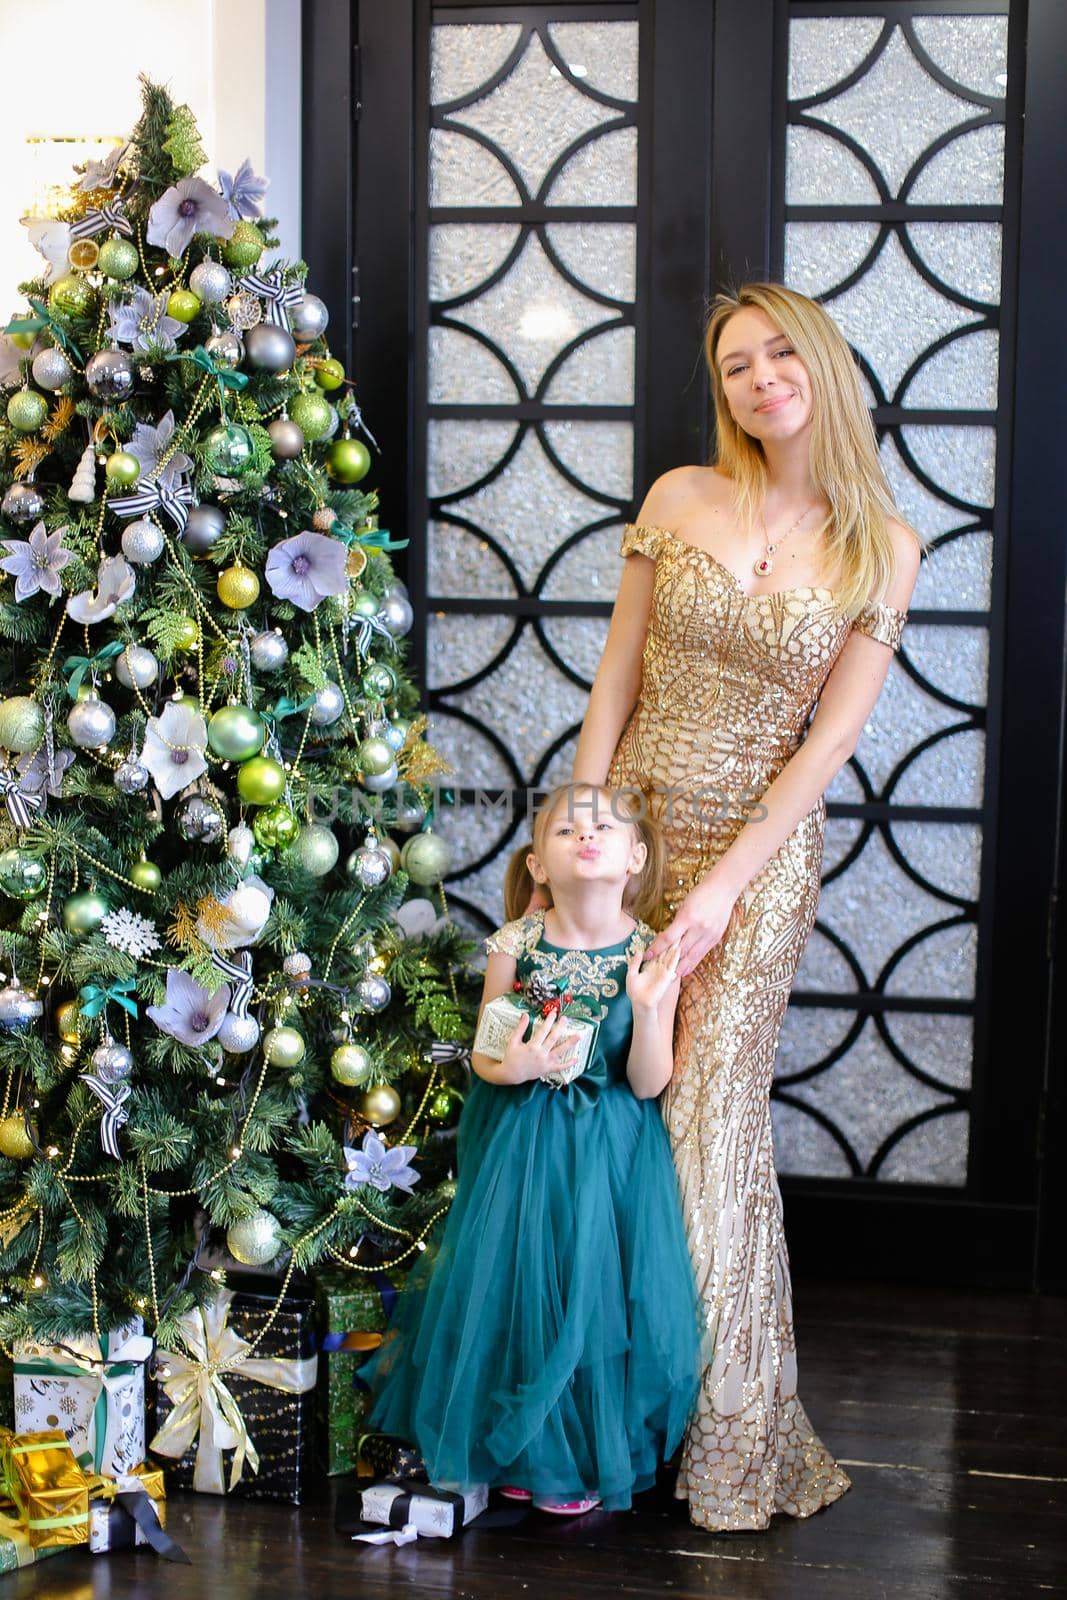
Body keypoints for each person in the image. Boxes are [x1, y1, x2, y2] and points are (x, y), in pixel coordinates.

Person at [572, 282, 924, 1532]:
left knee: (707, 1117)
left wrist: (723, 891)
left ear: (820, 362)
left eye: (780, 353)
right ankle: (608, 1422)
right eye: (734, 365)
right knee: (606, 1098)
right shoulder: (677, 497)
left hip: (760, 855)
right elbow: (615, 678)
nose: (760, 377)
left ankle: (728, 1442)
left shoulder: (881, 541)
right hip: (635, 829)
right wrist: (586, 827)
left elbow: (826, 744)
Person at [363, 782, 701, 1514]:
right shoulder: (516, 943)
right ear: (539, 864)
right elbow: (488, 1054)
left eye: (604, 826)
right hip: (520, 1142)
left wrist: (646, 1010)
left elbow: (647, 1084)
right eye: (566, 830)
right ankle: (517, 1444)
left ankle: (576, 1454)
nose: (587, 835)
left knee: (589, 1291)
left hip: (607, 1149)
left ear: (634, 857)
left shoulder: (649, 953)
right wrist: (515, 1065)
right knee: (515, 1283)